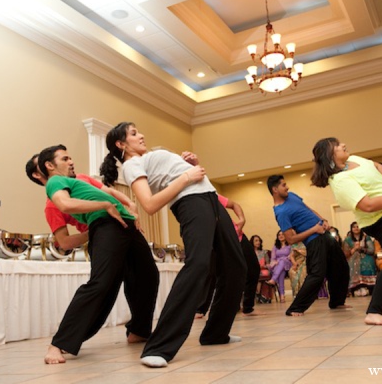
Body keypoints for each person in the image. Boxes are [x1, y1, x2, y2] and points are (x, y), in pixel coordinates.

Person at [100, 122, 247, 368]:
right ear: (120, 144)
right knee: (198, 265)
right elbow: (148, 204)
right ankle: (158, 347)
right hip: (190, 202)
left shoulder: (149, 157)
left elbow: (174, 175)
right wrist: (186, 176)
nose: (142, 134)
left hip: (210, 198)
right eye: (134, 133)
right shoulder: (131, 165)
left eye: (139, 130)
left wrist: (188, 164)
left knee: (236, 266)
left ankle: (215, 334)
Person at [35, 145, 159, 364]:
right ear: (49, 166)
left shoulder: (79, 180)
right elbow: (64, 204)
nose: (71, 161)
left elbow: (109, 191)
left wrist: (129, 205)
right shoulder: (56, 181)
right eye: (65, 158)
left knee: (147, 275)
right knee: (101, 284)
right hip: (105, 226)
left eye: (71, 156)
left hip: (126, 226)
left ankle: (139, 330)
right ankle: (58, 344)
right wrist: (105, 205)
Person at [311, 137, 382, 325]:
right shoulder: (340, 180)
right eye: (337, 146)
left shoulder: (355, 160)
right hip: (379, 218)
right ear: (330, 155)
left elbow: (377, 166)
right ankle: (373, 311)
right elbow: (367, 205)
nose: (343, 145)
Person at [267, 175, 350, 317]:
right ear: (275, 189)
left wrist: (322, 219)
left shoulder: (292, 196)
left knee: (341, 267)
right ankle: (295, 308)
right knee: (317, 275)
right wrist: (314, 230)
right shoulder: (281, 212)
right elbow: (291, 239)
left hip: (325, 235)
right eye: (283, 185)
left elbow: (308, 209)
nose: (287, 187)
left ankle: (337, 302)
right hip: (314, 241)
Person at [195, 193, 261, 317]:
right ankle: (201, 308)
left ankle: (248, 307)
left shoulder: (212, 195)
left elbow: (234, 204)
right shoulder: (193, 203)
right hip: (216, 242)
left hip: (238, 236)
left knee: (253, 269)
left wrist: (242, 219)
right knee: (213, 274)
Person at [343, 222, 376, 297]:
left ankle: (369, 287)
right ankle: (355, 288)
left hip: (366, 255)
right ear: (351, 229)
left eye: (358, 226)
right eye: (354, 227)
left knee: (368, 262)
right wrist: (354, 249)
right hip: (352, 257)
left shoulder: (366, 237)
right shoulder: (347, 239)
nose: (356, 228)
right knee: (353, 263)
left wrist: (361, 248)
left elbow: (371, 250)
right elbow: (345, 253)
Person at [266, 230, 292, 302]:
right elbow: (273, 258)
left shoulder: (290, 245)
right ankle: (282, 296)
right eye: (279, 235)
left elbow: (290, 256)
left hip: (288, 264)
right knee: (281, 273)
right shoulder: (275, 247)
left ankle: (273, 279)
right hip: (278, 266)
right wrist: (275, 262)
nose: (280, 236)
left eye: (282, 234)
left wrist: (281, 260)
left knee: (282, 261)